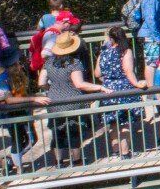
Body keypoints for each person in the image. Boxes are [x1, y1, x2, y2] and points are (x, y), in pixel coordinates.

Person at [20, 31, 107, 170]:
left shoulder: (49, 62)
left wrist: (52, 88)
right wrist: (99, 87)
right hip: (72, 101)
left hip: (54, 101)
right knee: (73, 131)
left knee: (57, 132)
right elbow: (79, 84)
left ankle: (59, 162)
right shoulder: (74, 63)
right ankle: (77, 161)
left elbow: (41, 82)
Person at [95, 28, 147, 158]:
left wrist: (108, 80)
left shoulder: (103, 53)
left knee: (113, 122)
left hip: (108, 89)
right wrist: (137, 84)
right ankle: (125, 153)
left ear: (110, 38)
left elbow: (97, 74)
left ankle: (115, 151)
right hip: (124, 88)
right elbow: (129, 71)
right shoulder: (125, 52)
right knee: (125, 122)